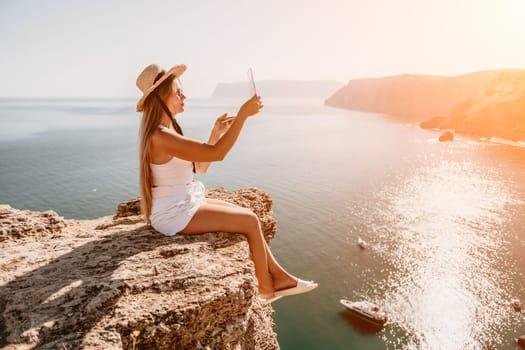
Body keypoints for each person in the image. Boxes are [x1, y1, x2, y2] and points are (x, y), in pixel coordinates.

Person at [136, 63, 318, 304]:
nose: (184, 96)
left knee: (248, 212)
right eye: (178, 91)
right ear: (162, 97)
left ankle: (281, 277)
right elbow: (217, 154)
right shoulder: (161, 136)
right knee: (250, 222)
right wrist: (243, 115)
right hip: (173, 213)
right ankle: (265, 289)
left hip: (181, 202)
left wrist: (216, 133)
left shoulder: (165, 133)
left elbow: (199, 167)